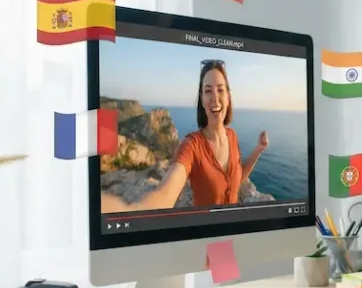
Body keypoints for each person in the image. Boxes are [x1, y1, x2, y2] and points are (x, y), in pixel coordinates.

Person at [101, 60, 269, 213]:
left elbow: (237, 180)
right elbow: (164, 193)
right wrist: (137, 210)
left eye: (221, 90)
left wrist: (258, 150)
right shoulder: (191, 145)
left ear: (228, 97)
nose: (215, 98)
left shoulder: (232, 136)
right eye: (208, 91)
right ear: (202, 100)